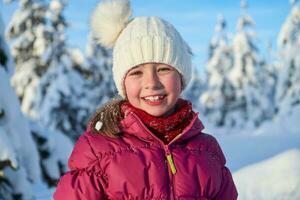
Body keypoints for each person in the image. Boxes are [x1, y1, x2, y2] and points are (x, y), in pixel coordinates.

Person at [54, 0, 238, 199]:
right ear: (123, 84)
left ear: (181, 78)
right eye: (136, 73)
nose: (152, 83)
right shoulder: (98, 150)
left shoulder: (207, 150)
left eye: (164, 69)